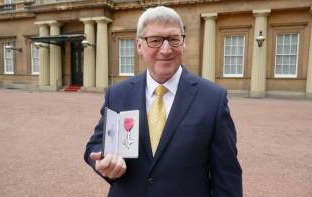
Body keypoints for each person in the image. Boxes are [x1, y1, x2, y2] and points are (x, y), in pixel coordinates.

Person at [84, 6, 242, 197]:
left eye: (174, 39)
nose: (166, 50)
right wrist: (102, 160)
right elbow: (95, 145)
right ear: (139, 46)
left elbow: (227, 176)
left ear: (183, 44)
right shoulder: (118, 94)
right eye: (155, 40)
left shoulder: (213, 99)